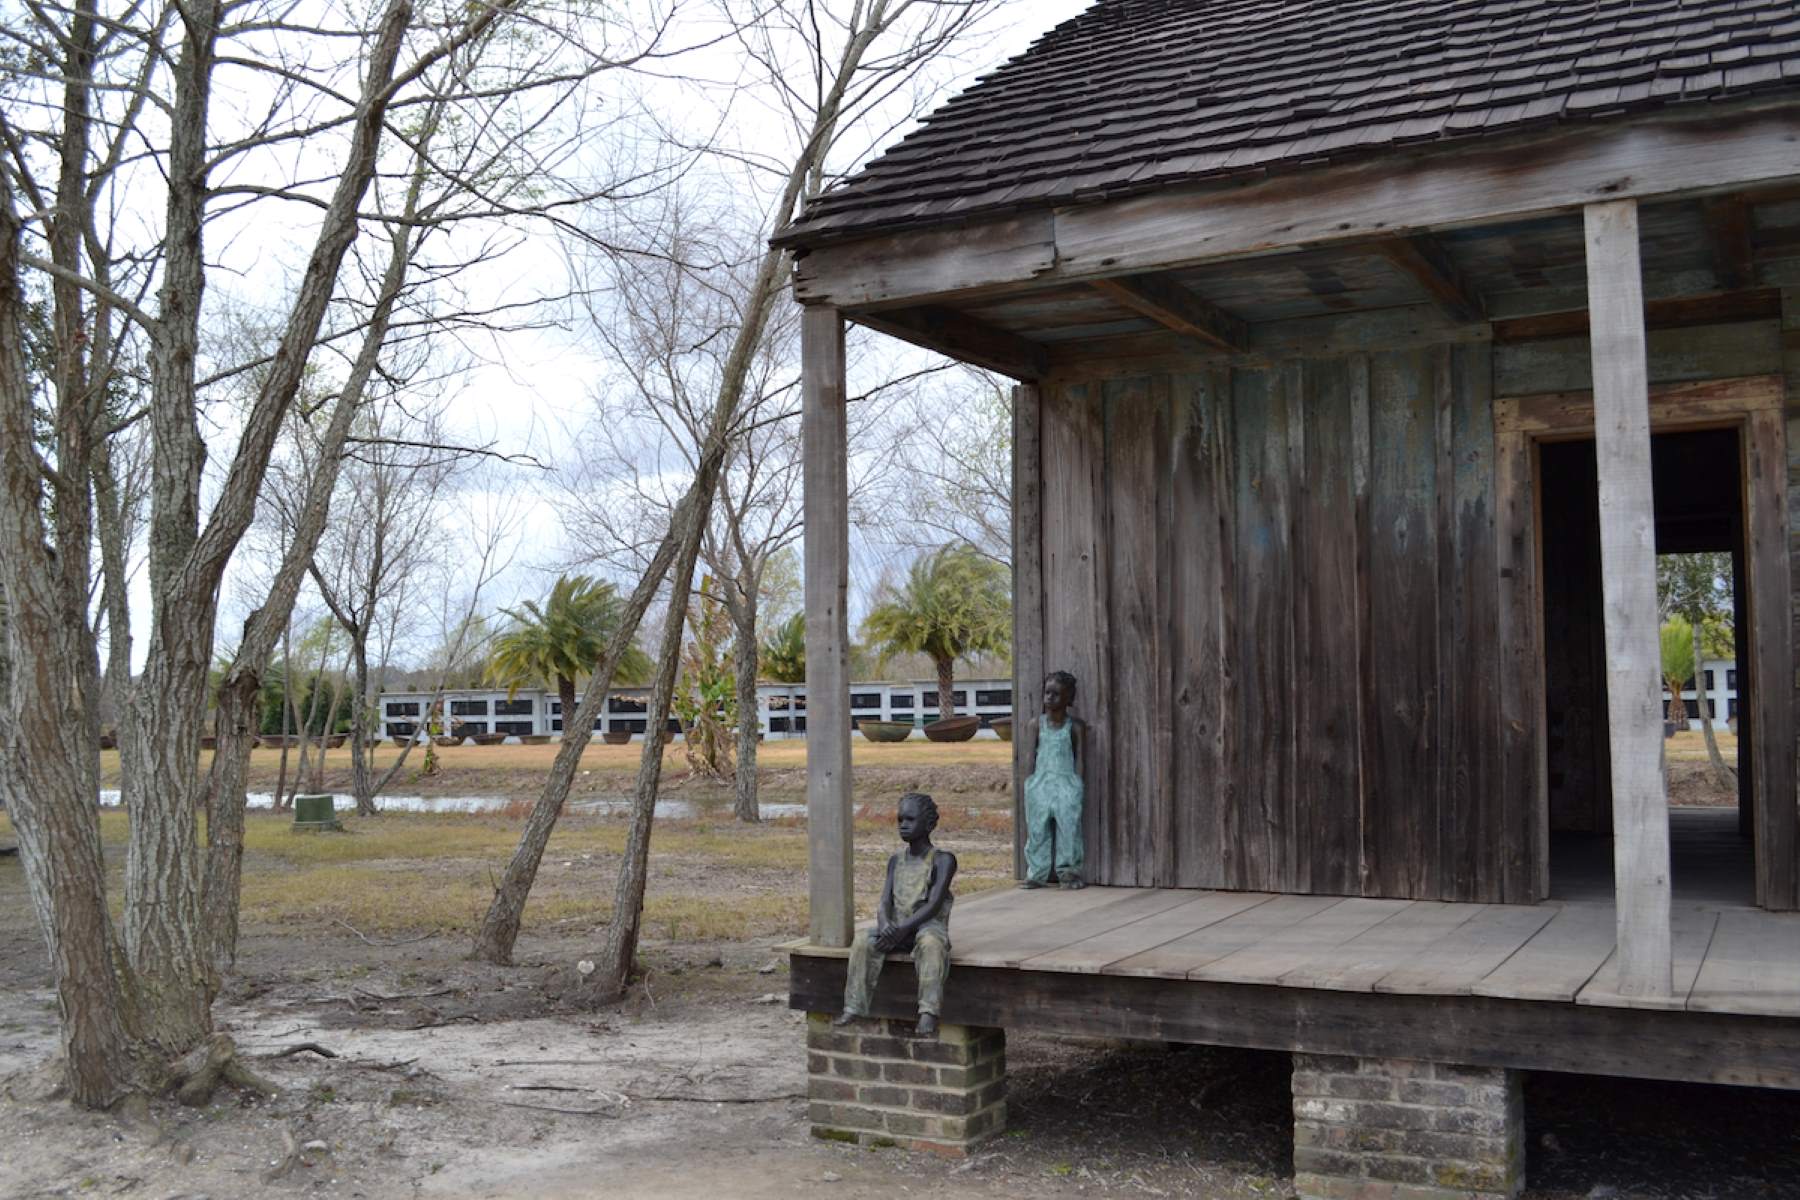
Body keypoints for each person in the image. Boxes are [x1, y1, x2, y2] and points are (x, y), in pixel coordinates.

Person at [835, 792, 958, 1036]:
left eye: (910, 819)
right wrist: (885, 923)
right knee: (863, 940)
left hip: (926, 927)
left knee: (932, 945)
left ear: (929, 824)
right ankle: (854, 1006)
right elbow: (884, 900)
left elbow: (933, 905)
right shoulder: (895, 860)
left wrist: (903, 929)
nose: (903, 825)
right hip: (898, 928)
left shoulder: (943, 860)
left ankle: (928, 1012)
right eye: (900, 819)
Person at [1022, 670, 1086, 890]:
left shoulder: (1075, 726)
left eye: (1056, 694)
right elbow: (1031, 756)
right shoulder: (1035, 725)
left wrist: (1077, 784)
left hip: (1067, 784)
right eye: (1047, 693)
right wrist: (1029, 783)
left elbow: (1080, 758)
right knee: (1037, 830)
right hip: (1040, 784)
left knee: (1069, 829)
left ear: (1068, 698)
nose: (1050, 698)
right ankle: (1036, 873)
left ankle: (1068, 872)